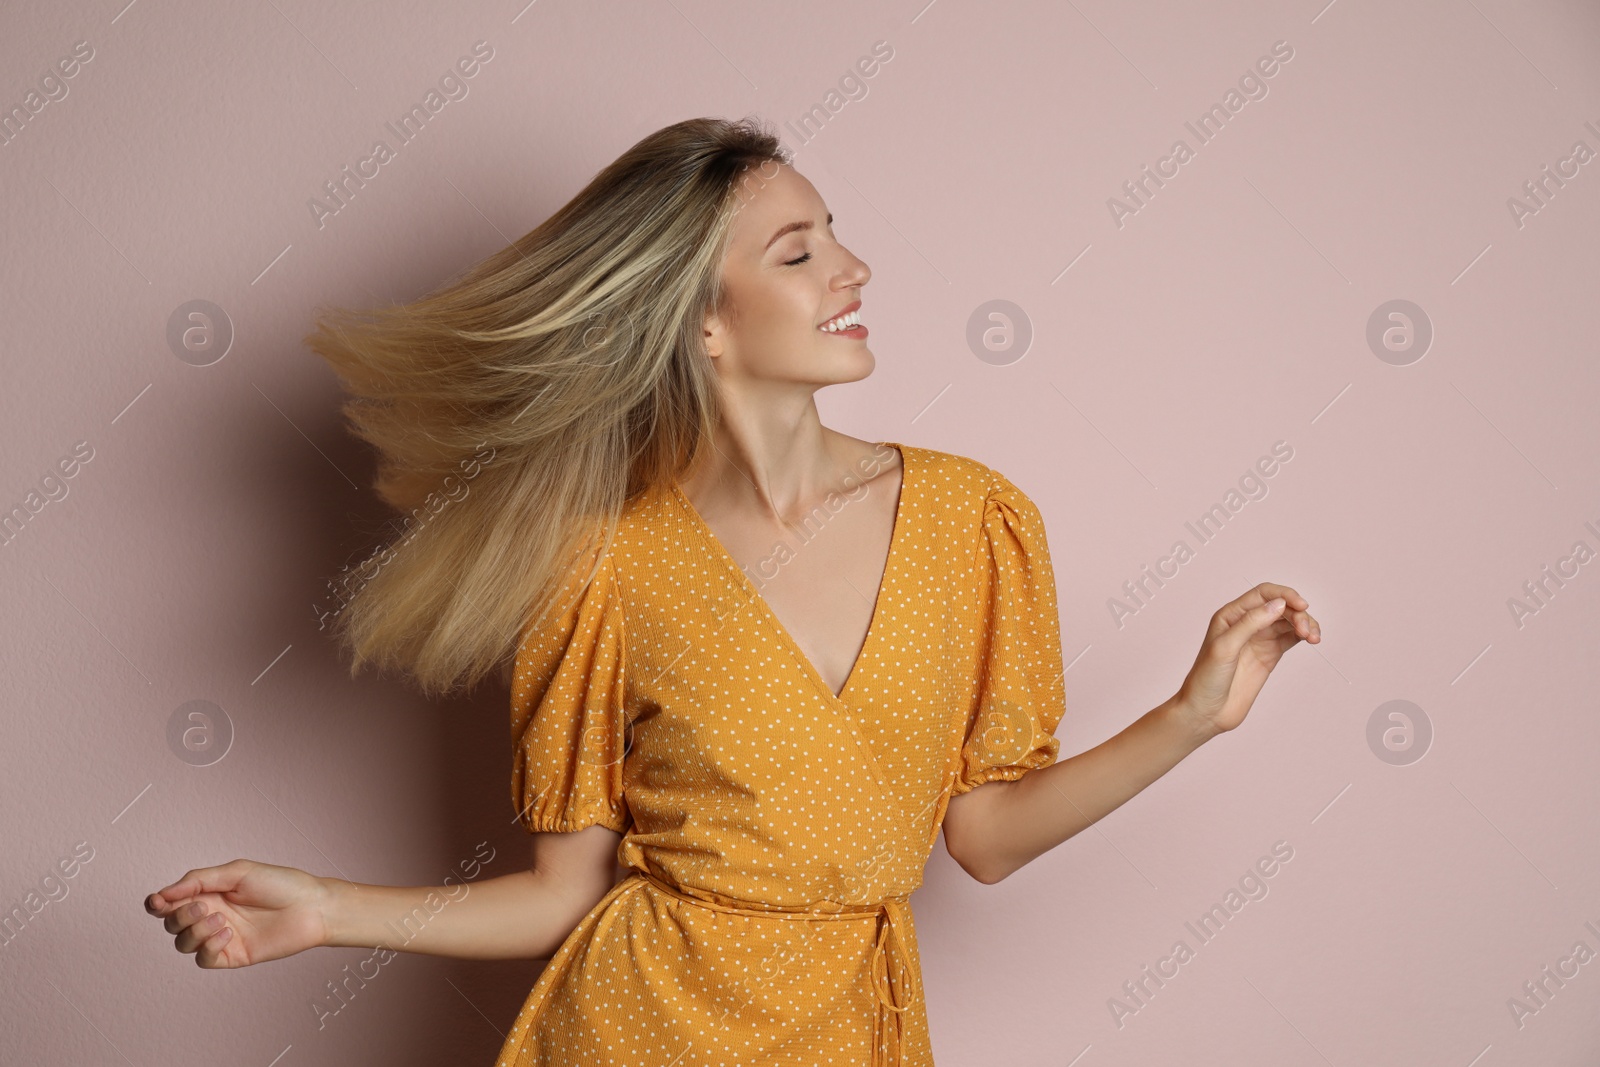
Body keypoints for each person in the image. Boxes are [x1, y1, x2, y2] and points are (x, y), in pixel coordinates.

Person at [143, 116, 1320, 1066]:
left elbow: (987, 836)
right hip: (630, 1026)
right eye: (797, 250)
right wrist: (326, 908)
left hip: (855, 1029)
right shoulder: (596, 564)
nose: (852, 268)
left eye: (835, 235)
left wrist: (1190, 717)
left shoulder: (975, 520)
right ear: (703, 320)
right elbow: (563, 898)